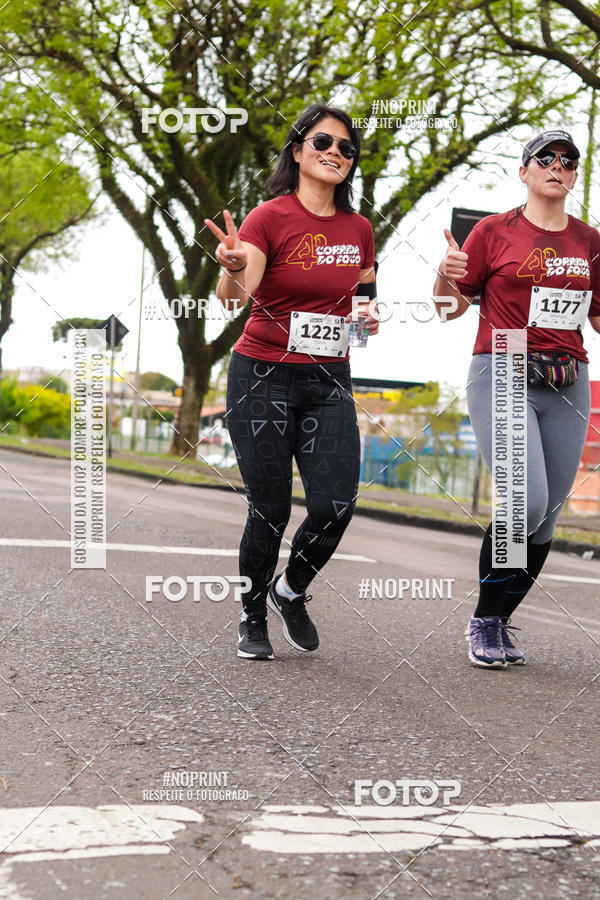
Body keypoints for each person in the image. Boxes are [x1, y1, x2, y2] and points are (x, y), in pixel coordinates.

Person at [204, 104, 378, 660]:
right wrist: (231, 265)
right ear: (299, 149)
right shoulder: (268, 218)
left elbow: (363, 298)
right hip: (263, 377)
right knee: (270, 508)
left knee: (337, 504)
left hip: (330, 379)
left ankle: (290, 589)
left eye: (347, 148)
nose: (335, 153)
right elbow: (233, 298)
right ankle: (252, 613)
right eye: (323, 141)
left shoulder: (359, 229)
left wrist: (367, 319)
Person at [433, 128, 600, 668]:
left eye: (568, 160)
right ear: (523, 171)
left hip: (568, 379)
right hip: (502, 366)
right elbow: (449, 308)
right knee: (524, 502)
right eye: (545, 158)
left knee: (548, 514)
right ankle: (483, 618)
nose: (557, 166)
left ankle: (503, 620)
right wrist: (445, 275)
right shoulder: (493, 231)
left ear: (574, 175)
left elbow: (596, 318)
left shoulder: (590, 242)